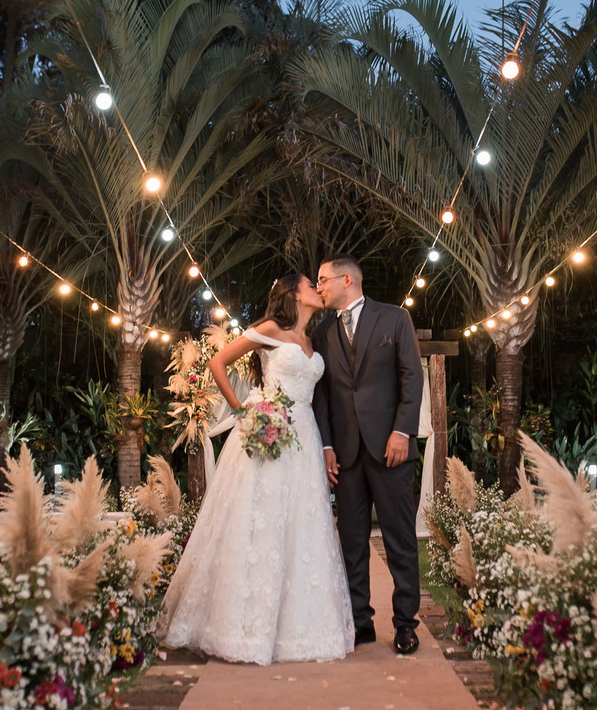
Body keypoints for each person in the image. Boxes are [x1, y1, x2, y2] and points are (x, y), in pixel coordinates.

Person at [161, 274, 354, 665]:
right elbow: (217, 361)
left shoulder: (313, 339)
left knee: (303, 524)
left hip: (306, 435)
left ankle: (301, 627)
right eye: (309, 284)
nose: (317, 289)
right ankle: (246, 627)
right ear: (292, 294)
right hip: (270, 432)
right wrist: (241, 408)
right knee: (262, 521)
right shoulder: (270, 328)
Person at [313, 254, 424, 655]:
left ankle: (406, 625)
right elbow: (321, 395)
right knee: (352, 542)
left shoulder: (394, 318)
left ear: (347, 280)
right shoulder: (323, 331)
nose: (318, 287)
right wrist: (326, 445)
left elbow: (412, 375)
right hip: (346, 454)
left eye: (323, 280)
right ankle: (360, 623)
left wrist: (401, 431)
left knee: (400, 540)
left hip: (391, 450)